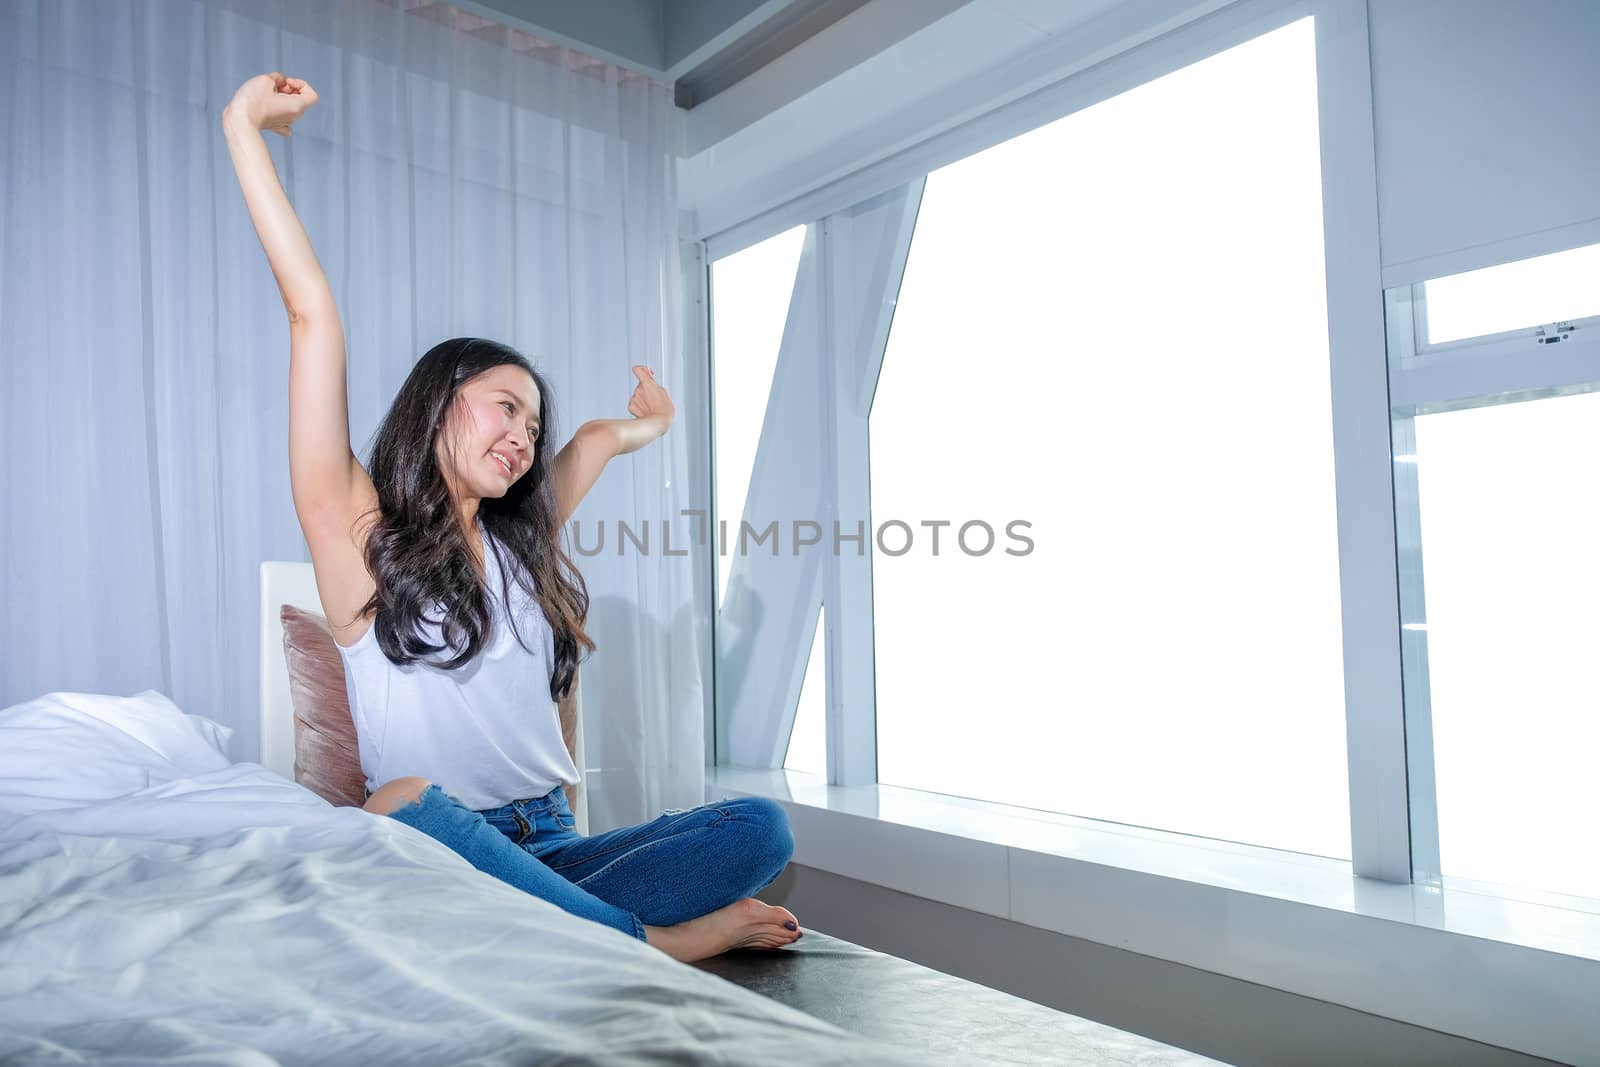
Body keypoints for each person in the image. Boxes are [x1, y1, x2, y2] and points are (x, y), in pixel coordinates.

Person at [221, 72, 800, 962]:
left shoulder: (521, 542)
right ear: (441, 401)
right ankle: (658, 944)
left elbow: (601, 437)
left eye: (534, 424)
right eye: (504, 407)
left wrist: (657, 417)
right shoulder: (356, 532)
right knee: (399, 800)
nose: (525, 436)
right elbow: (311, 316)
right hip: (441, 847)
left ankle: (577, 926)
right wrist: (245, 130)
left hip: (554, 849)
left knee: (759, 828)